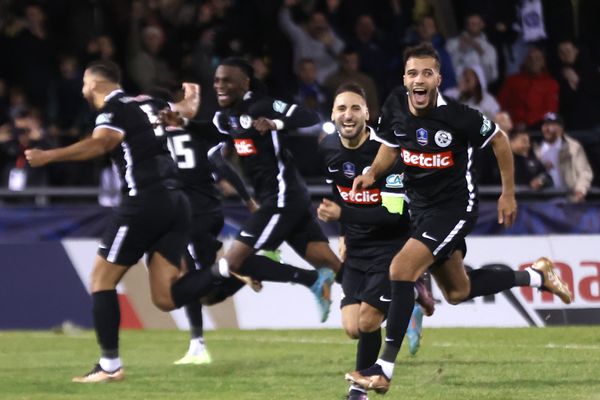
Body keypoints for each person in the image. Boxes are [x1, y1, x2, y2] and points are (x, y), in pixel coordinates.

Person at [344, 43, 572, 395]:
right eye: (412, 73)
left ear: (438, 78)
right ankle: (535, 275)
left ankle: (383, 369)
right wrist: (373, 172)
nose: (419, 79)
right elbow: (391, 144)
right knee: (457, 290)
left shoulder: (459, 117)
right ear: (404, 79)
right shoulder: (393, 104)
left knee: (401, 269)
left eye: (427, 73)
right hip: (419, 207)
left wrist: (508, 192)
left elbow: (499, 140)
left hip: (454, 208)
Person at [24, 60, 226, 383]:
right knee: (164, 297)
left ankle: (110, 365)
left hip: (145, 201)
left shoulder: (112, 110)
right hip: (177, 202)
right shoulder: (149, 103)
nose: (82, 90)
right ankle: (228, 269)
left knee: (100, 281)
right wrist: (193, 97)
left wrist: (49, 156)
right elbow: (185, 109)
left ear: (95, 84)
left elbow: (102, 143)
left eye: (84, 84)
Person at [166, 58, 342, 323]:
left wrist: (276, 124)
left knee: (236, 261)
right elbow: (214, 133)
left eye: (227, 80)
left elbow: (308, 117)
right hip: (278, 200)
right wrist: (185, 124)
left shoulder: (262, 105)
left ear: (245, 82)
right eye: (216, 80)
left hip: (283, 198)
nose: (220, 86)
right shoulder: (226, 117)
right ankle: (401, 299)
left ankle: (311, 280)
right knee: (333, 264)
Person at [317, 83, 434, 400]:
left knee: (368, 320)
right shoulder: (328, 149)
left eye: (355, 108)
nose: (348, 114)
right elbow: (339, 191)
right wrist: (343, 231)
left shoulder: (387, 154)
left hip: (390, 249)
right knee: (352, 327)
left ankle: (358, 392)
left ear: (367, 113)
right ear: (333, 114)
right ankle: (407, 304)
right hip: (356, 250)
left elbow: (395, 217)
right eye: (341, 108)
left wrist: (344, 215)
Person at [534, 112, 593, 203]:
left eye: (552, 125)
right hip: (544, 200)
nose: (547, 128)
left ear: (560, 128)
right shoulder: (536, 149)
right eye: (545, 125)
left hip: (569, 198)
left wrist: (580, 190)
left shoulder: (573, 147)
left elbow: (585, 172)